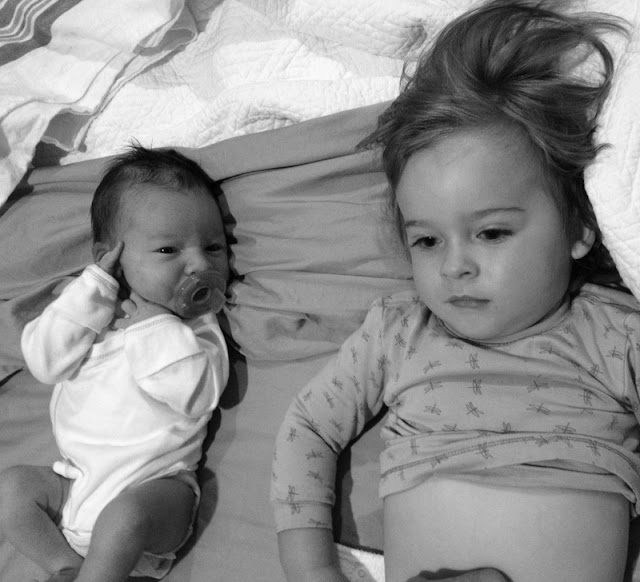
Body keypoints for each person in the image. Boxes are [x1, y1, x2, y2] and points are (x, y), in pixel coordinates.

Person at [270, 2, 633, 582]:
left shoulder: (615, 333)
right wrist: (312, 568)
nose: (455, 267)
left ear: (578, 227)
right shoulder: (398, 333)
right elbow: (309, 427)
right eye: (427, 241)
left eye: (492, 233)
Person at [0, 145, 230, 582]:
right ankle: (64, 565)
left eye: (214, 247)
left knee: (123, 518)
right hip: (75, 488)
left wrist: (157, 324)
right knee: (9, 489)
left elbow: (196, 396)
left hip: (156, 494)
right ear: (111, 257)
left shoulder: (196, 328)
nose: (199, 263)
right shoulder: (90, 315)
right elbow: (45, 363)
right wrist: (92, 290)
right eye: (169, 249)